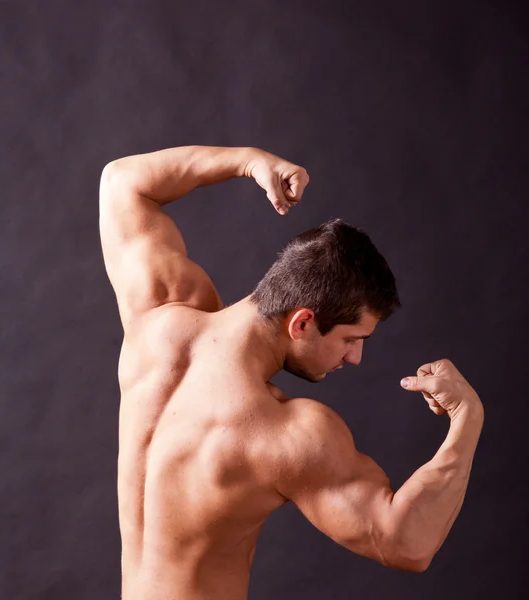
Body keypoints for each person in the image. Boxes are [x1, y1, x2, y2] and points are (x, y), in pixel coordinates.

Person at [98, 145, 484, 600]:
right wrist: (468, 419)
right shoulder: (285, 433)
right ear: (301, 322)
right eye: (350, 338)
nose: (355, 357)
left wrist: (247, 161)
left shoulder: (159, 317)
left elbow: (123, 182)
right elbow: (406, 542)